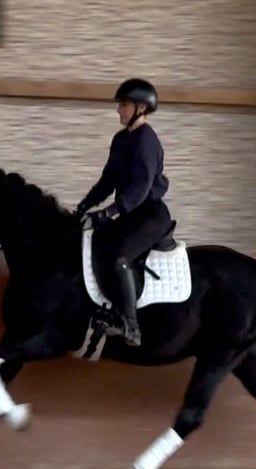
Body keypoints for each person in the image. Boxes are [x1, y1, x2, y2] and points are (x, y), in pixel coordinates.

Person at [75, 78, 174, 347]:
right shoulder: (121, 139)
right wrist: (84, 206)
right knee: (96, 243)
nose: (118, 110)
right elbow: (109, 180)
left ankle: (131, 326)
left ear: (141, 107)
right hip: (130, 213)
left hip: (151, 215)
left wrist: (107, 213)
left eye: (123, 105)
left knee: (120, 257)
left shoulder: (146, 141)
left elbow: (140, 189)